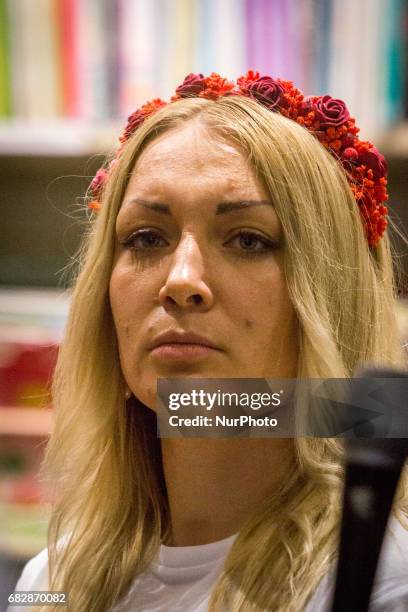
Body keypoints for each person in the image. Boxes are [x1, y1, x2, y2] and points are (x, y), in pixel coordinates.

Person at [10, 71, 408, 612]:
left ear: (329, 295)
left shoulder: (382, 582)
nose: (181, 280)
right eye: (146, 238)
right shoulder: (52, 579)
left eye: (249, 239)